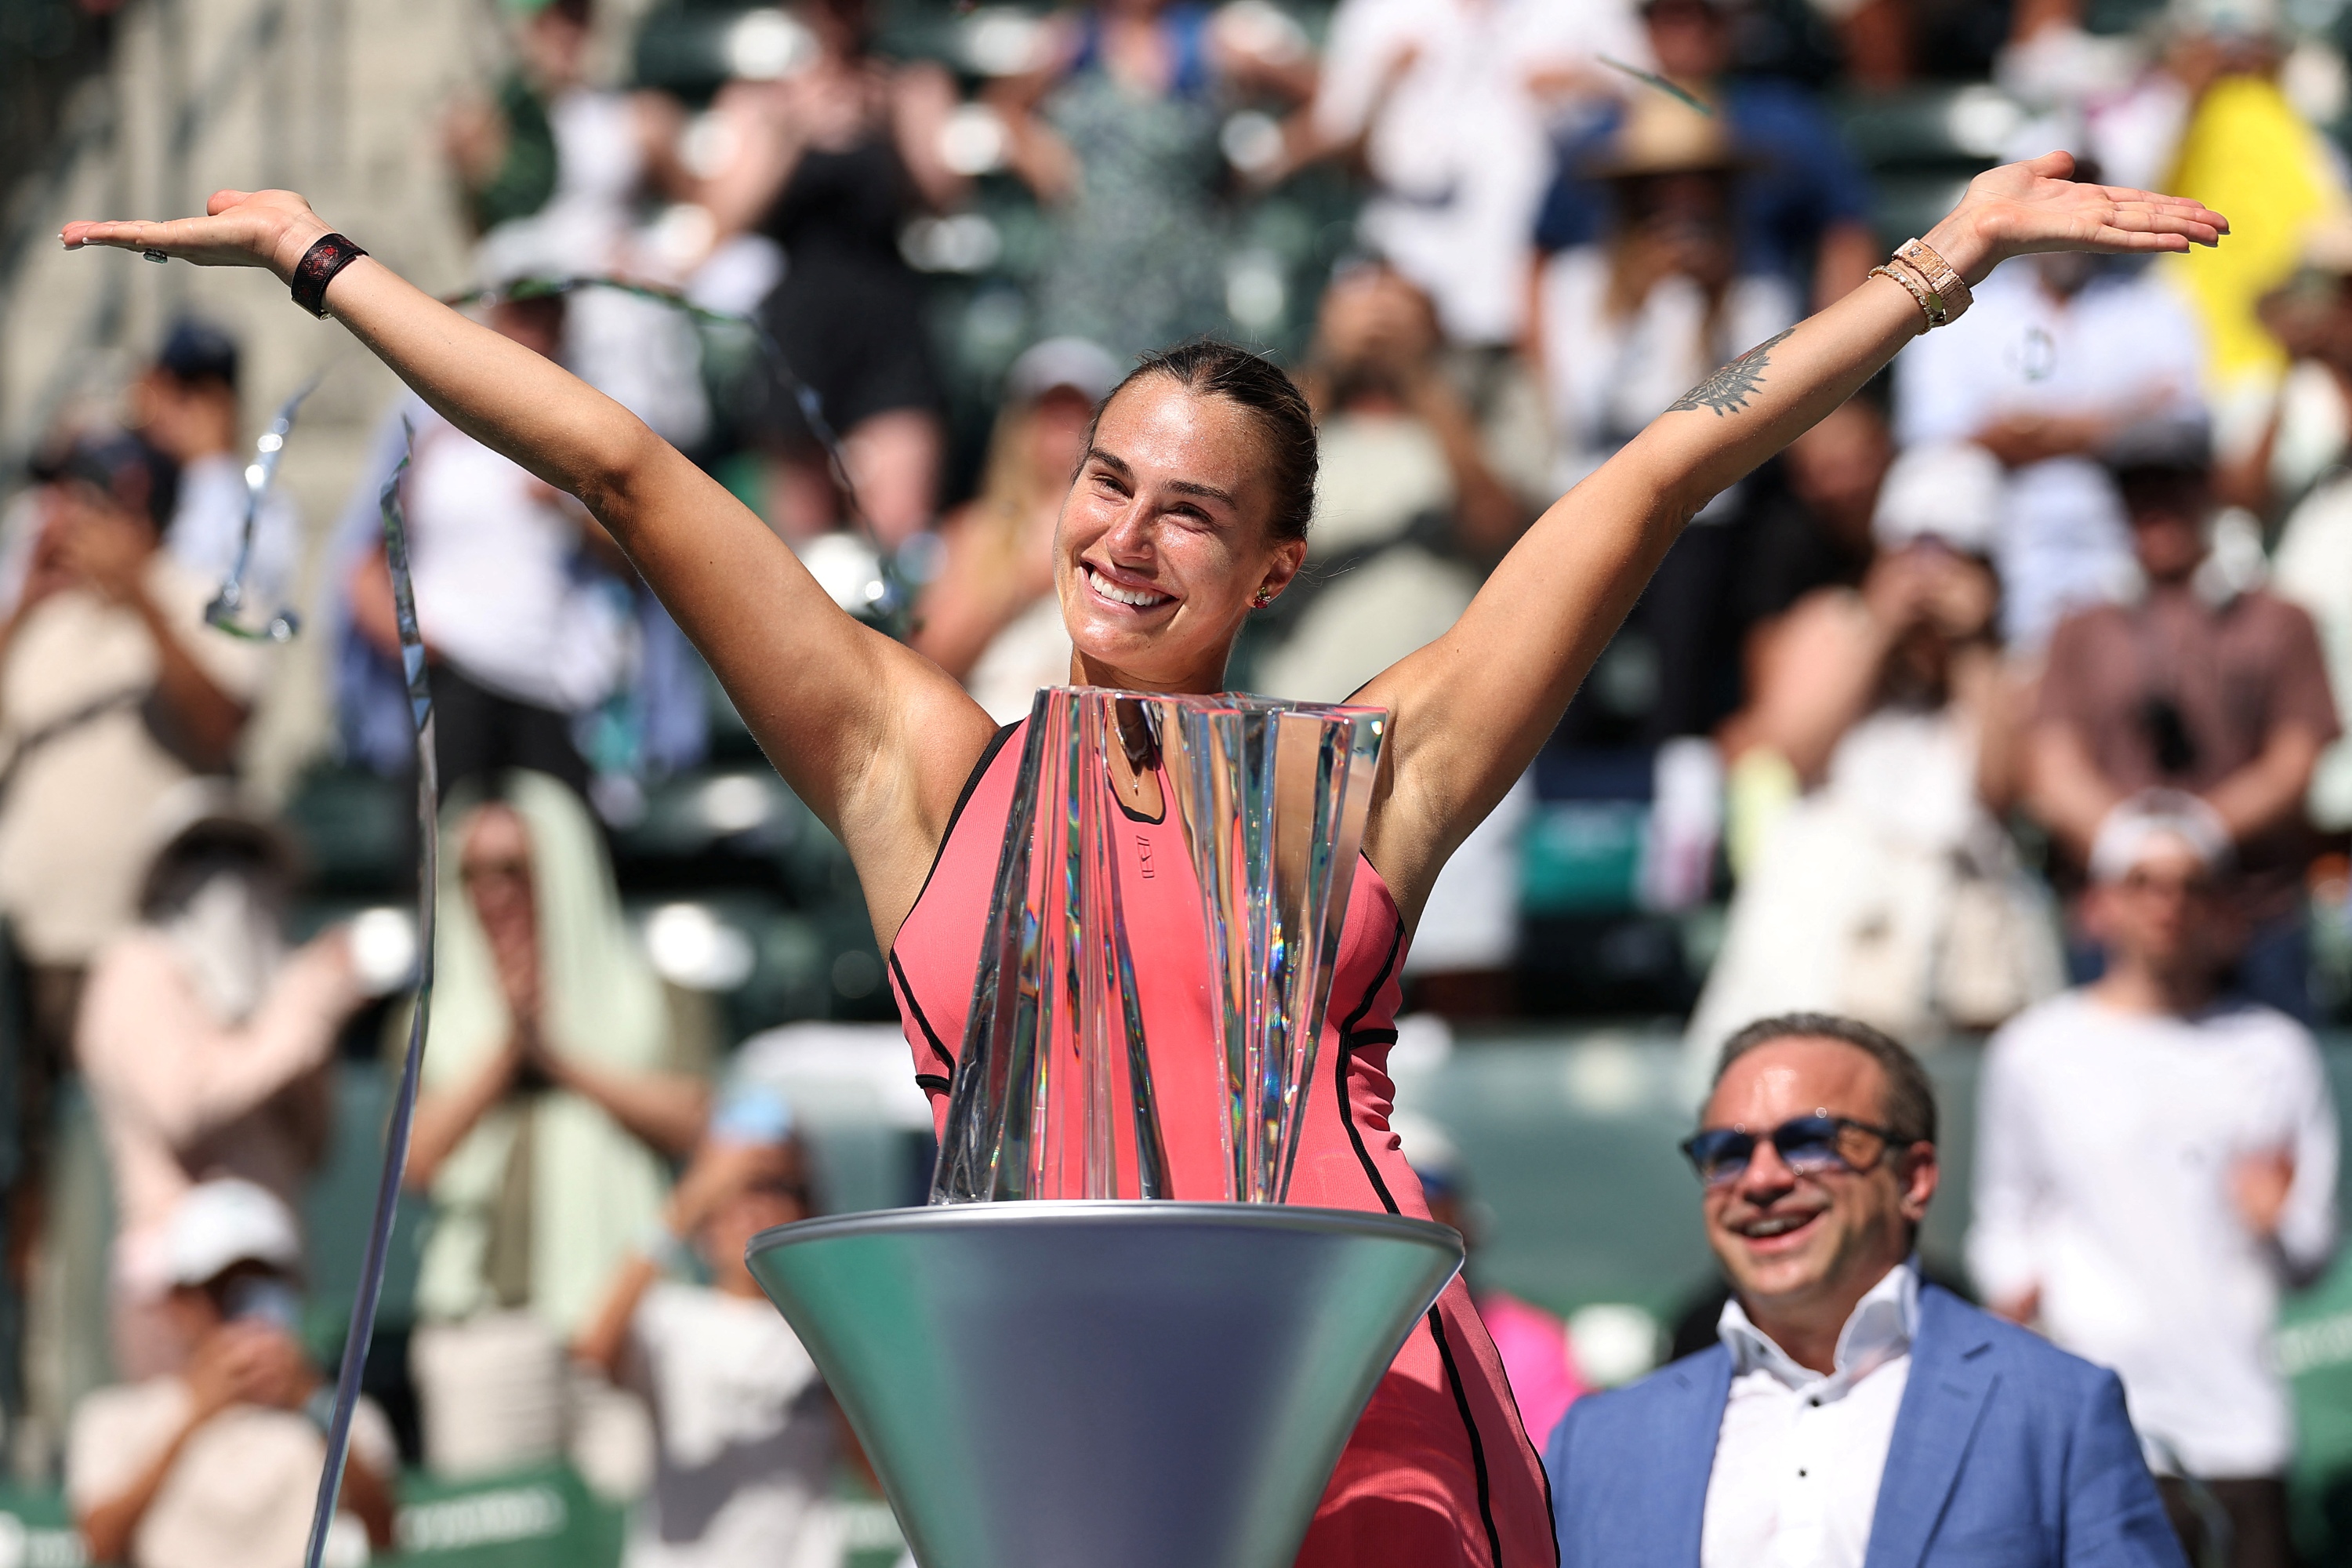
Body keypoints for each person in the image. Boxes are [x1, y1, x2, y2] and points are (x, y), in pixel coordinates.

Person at [71, 147, 2224, 1567]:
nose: (1122, 537)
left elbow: (1656, 475)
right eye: (1104, 482)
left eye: (1190, 510)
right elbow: (628, 470)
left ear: (1275, 563)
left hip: (1371, 1433)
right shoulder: (919, 763)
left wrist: (1944, 265)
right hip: (1056, 1440)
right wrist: (320, 265)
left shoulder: (1363, 775)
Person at [1546, 1013, 2187, 1567]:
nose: (1762, 1179)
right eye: (1728, 1152)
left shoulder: (2057, 1409)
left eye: (1810, 1141)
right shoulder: (1599, 1441)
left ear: (1914, 1178)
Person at [1970, 796, 2339, 1568]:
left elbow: (2311, 1252)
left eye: (2190, 883)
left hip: (2239, 1427)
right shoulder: (2036, 1050)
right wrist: (2017, 1292)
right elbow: (2003, 1218)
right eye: (2143, 881)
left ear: (2222, 906)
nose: (2167, 905)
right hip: (2096, 1429)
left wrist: (2274, 1219)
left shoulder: (2274, 1052)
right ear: (2100, 902)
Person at [1691, 441, 2057, 1053]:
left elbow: (1997, 795)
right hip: (1825, 927)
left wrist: (1971, 648)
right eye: (1912, 550)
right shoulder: (1831, 622)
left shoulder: (2012, 668)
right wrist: (1881, 627)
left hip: (1963, 946)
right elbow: (1794, 755)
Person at [401, 772, 713, 1479]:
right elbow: (413, 1162)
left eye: (514, 869)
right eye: (473, 872)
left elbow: (694, 1120)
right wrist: (507, 1052)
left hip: (628, 1315)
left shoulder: (653, 995)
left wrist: (561, 1058)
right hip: (485, 1325)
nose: (494, 893)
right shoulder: (431, 1019)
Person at [2027, 418, 2338, 1022]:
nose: (2154, 507)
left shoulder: (2278, 618)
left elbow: (2296, 757)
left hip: (2252, 916)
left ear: (2205, 492)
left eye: (2170, 486)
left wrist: (2199, 832)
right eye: (2138, 490)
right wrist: (2136, 847)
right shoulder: (2081, 627)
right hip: (2121, 922)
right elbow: (2052, 765)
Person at [76, 794, 376, 1378]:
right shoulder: (134, 968)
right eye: (204, 855)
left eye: (246, 855)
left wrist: (305, 1014)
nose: (229, 877)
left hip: (275, 1276)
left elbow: (314, 1146)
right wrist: (299, 1016)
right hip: (171, 1289)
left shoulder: (278, 987)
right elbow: (182, 1105)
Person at [692, 0, 966, 543]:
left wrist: (892, 124)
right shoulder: (760, 99)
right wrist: (792, 132)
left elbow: (943, 200)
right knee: (802, 549)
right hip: (799, 327)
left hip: (887, 324)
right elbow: (722, 220)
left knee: (899, 534)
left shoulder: (912, 86)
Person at [343, 292, 636, 799]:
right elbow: (364, 557)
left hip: (551, 685)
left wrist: (569, 509)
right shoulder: (422, 425)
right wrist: (410, 640)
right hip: (452, 675)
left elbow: (635, 557)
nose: (535, 335)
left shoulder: (588, 429)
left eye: (548, 320)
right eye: (522, 316)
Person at [573, 1090, 845, 1568]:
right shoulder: (671, 1317)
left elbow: (882, 1475)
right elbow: (592, 1351)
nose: (754, 1209)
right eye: (736, 1194)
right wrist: (693, 1198)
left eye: (776, 1188)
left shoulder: (828, 1333)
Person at [67, 1178, 397, 1568]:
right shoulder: (113, 1418)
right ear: (179, 1301)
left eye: (264, 1286)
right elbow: (98, 1543)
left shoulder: (342, 1415)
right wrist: (193, 1417)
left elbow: (385, 1535)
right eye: (220, 1290)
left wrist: (313, 1404)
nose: (245, 1312)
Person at [1894, 245, 2208, 653]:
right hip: (2002, 538)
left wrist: (2026, 428)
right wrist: (2121, 420)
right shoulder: (1968, 307)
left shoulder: (2154, 300)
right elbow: (1932, 436)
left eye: (2088, 184)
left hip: (2124, 534)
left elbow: (2188, 424)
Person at [992, 0, 1316, 358]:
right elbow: (1004, 105)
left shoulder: (1215, 43)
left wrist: (1261, 165)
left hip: (1185, 271)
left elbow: (1320, 96)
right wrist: (1043, 163)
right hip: (1087, 267)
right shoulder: (1071, 41)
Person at [1536, 0, 1878, 310]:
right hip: (1621, 333)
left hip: (1751, 341)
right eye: (1668, 14)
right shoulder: (1597, 138)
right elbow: (1540, 254)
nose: (1687, 28)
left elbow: (1846, 232)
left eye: (1703, 13)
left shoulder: (1785, 121)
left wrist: (1833, 351)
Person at [912, 337, 1123, 723]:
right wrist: (1027, 574)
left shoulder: (1126, 534)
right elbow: (928, 662)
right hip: (992, 736)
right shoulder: (975, 529)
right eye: (1050, 415)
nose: (1064, 433)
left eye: (1080, 415)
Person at [132, 319, 299, 608]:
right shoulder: (134, 478)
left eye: (186, 395)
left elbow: (220, 593)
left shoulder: (269, 507)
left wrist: (209, 461)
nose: (164, 408)